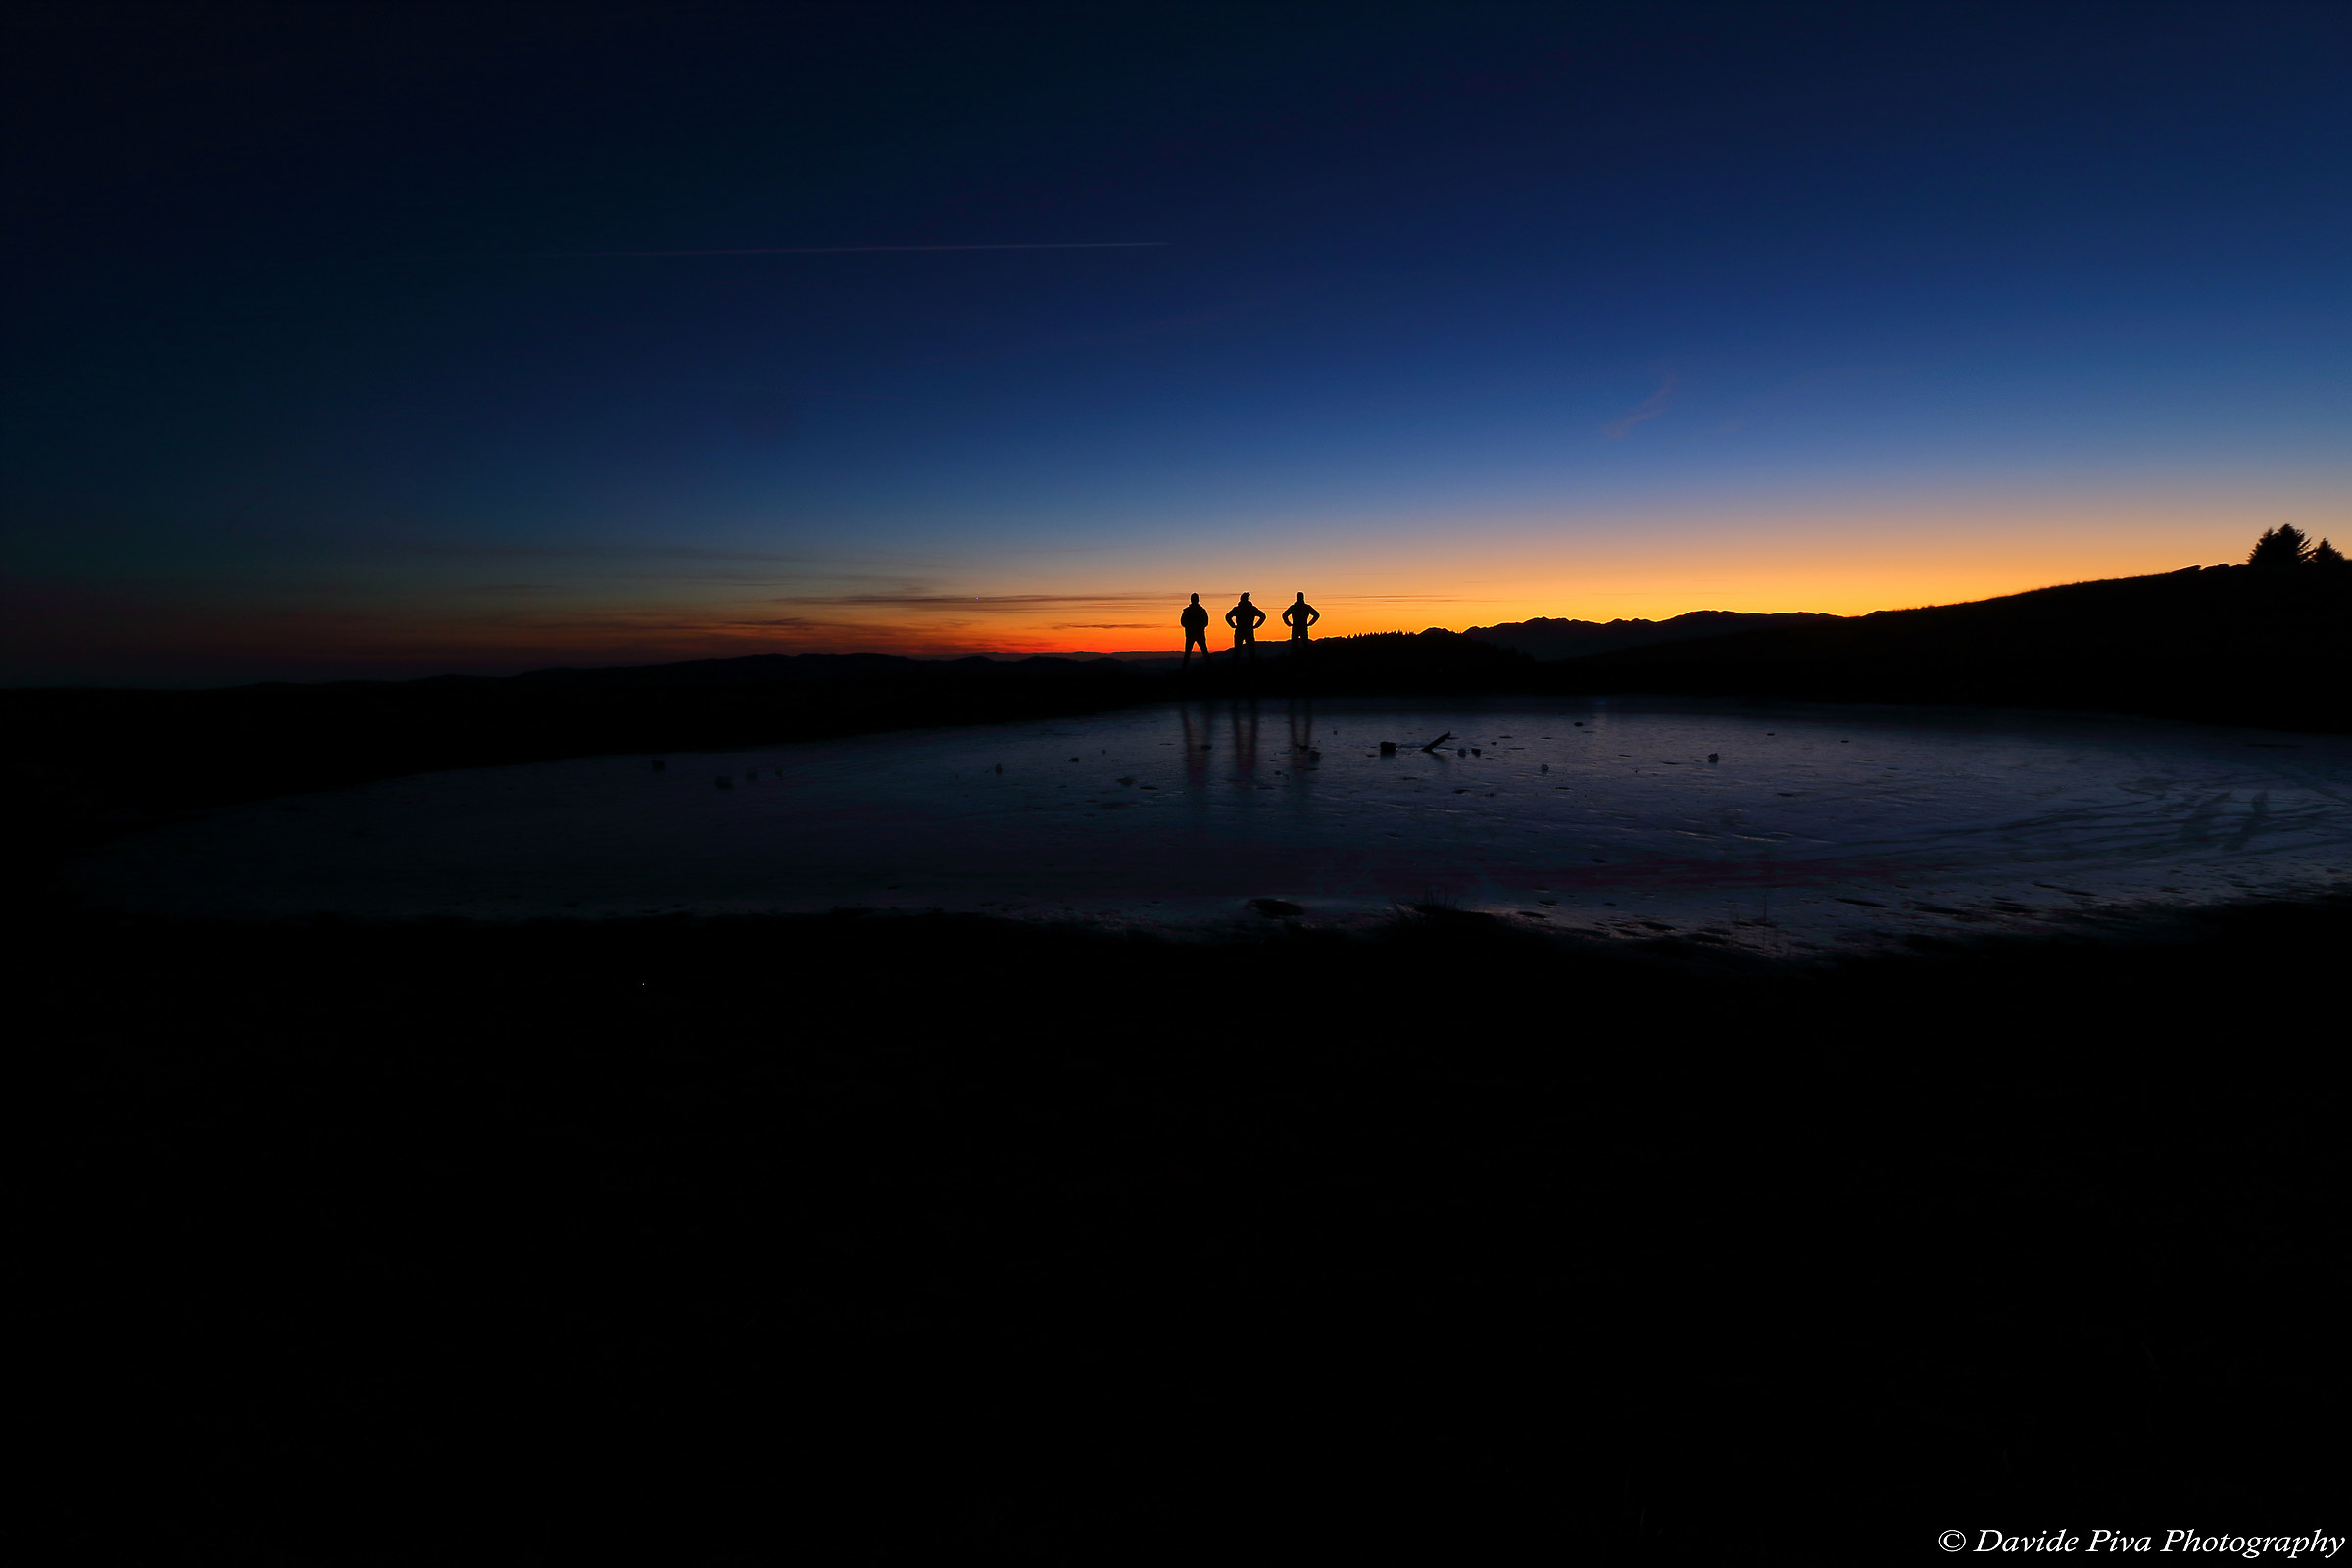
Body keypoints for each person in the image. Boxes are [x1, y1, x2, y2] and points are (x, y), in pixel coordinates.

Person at [1225, 592, 1266, 659]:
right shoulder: (1252, 608)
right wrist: (1256, 626)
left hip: (1240, 630)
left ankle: (1234, 667)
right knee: (1251, 651)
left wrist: (1232, 625)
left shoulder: (1237, 609)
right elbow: (1263, 616)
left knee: (1237, 651)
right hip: (1248, 631)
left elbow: (1227, 616)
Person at [1179, 594, 1213, 670]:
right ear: (1198, 600)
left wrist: (1190, 626)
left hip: (1190, 634)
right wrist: (1199, 626)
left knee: (1187, 654)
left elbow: (1182, 622)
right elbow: (1206, 622)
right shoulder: (1202, 610)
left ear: (1191, 600)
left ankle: (1183, 670)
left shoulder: (1187, 611)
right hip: (1199, 634)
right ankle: (1211, 669)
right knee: (1205, 652)